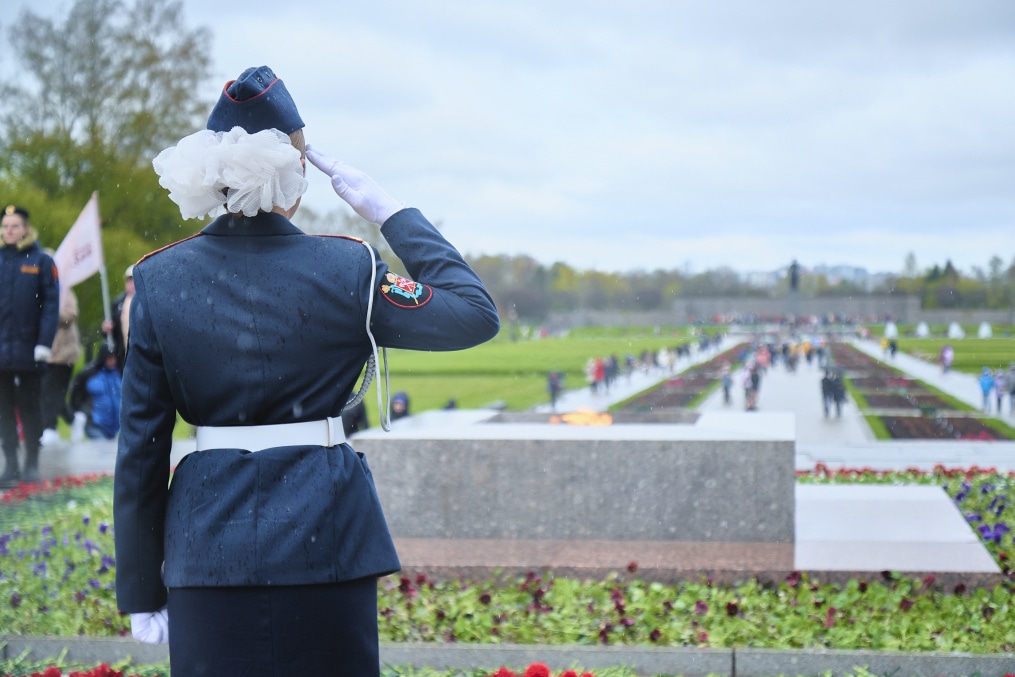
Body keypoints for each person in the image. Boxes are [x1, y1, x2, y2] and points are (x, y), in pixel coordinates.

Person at [113, 65, 500, 675]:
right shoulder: (347, 268)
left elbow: (141, 445)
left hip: (208, 544)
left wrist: (138, 589)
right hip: (327, 540)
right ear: (295, 173)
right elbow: (473, 314)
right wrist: (393, 213)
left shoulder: (159, 279)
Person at [0, 205, 59, 485]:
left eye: (14, 226)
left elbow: (51, 305)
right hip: (1, 350)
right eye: (4, 226)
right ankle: (10, 464)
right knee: (3, 408)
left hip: (30, 349)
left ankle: (31, 463)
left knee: (29, 406)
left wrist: (43, 343)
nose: (8, 231)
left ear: (25, 228)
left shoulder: (40, 261)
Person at [40, 258, 82, 445]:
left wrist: (48, 311)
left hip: (63, 352)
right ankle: (73, 419)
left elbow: (71, 314)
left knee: (53, 391)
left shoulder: (64, 289)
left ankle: (50, 428)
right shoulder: (37, 289)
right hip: (45, 350)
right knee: (46, 391)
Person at [69, 344, 122, 439]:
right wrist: (77, 413)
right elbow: (76, 394)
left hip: (112, 427)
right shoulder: (89, 374)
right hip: (93, 423)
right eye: (109, 357)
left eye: (114, 357)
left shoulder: (118, 374)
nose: (112, 361)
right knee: (103, 449)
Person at [101, 265, 135, 372]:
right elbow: (111, 331)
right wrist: (105, 329)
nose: (131, 284)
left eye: (134, 280)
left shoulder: (146, 301)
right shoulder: (118, 303)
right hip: (122, 354)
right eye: (129, 281)